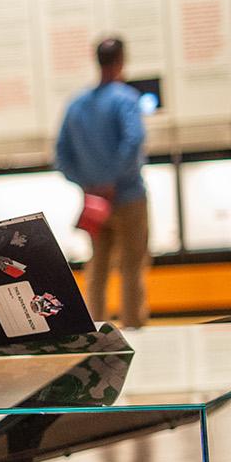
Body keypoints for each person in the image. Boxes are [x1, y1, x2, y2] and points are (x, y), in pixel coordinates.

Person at [56, 37, 149, 328]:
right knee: (132, 267)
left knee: (97, 268)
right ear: (121, 60)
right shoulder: (126, 99)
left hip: (94, 201)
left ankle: (94, 328)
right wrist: (112, 180)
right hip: (128, 197)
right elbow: (133, 141)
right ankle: (134, 329)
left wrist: (87, 183)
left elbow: (61, 153)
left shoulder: (77, 104)